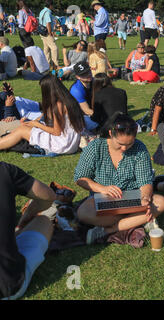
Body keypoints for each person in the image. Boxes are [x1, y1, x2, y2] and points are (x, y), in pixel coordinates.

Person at [74, 113, 164, 244]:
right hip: (103, 200)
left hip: (134, 198)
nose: (124, 148)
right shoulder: (95, 147)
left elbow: (145, 182)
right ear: (110, 134)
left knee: (161, 202)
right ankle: (137, 220)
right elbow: (80, 178)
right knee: (82, 213)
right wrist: (103, 189)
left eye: (129, 144)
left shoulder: (139, 148)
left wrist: (145, 197)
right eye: (120, 144)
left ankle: (109, 230)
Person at [0, 162, 56, 300]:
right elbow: (48, 196)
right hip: (7, 285)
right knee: (43, 221)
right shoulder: (4, 170)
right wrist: (26, 217)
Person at [0, 75, 84, 155]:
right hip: (71, 142)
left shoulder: (59, 105)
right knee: (23, 127)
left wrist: (37, 124)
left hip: (62, 144)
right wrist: (34, 123)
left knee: (21, 131)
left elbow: (57, 132)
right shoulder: (69, 100)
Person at [69, 61, 98, 132]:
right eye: (84, 74)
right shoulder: (76, 90)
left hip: (91, 112)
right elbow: (86, 110)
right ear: (77, 77)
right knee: (95, 124)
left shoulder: (95, 81)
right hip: (79, 115)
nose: (88, 74)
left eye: (88, 71)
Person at [38, 0, 58, 70]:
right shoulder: (48, 12)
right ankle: (55, 64)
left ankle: (47, 64)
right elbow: (48, 23)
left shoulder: (42, 11)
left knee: (46, 48)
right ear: (50, 5)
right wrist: (50, 33)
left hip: (42, 32)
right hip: (47, 32)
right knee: (54, 48)